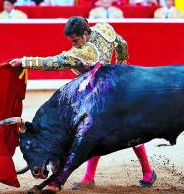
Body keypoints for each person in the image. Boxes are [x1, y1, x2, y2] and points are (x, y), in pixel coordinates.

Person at [9, 16, 157, 191]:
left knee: (106, 130)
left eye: (77, 40)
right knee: (97, 131)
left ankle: (144, 171)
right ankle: (96, 176)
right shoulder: (104, 28)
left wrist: (25, 62)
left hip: (100, 95)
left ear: (86, 34)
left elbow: (55, 62)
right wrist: (122, 68)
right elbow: (122, 43)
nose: (75, 45)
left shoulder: (84, 52)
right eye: (72, 41)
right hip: (111, 90)